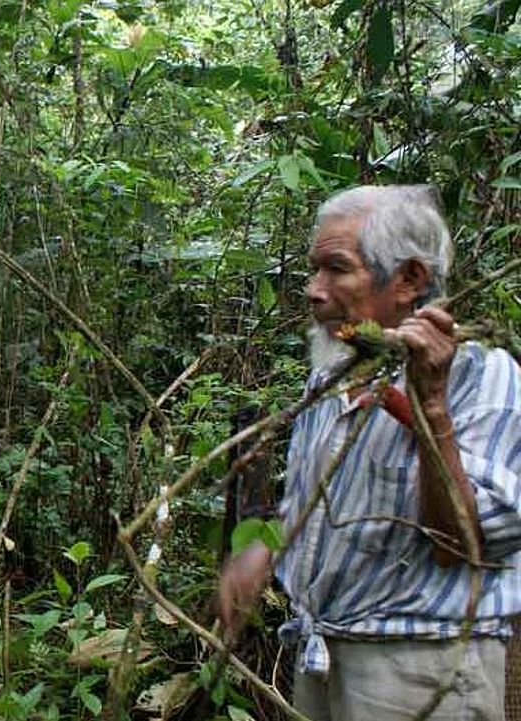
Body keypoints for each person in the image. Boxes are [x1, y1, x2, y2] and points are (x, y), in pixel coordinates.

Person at [218, 185, 521, 720]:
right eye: (314, 271)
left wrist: (429, 405)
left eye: (336, 269)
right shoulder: (332, 375)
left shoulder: (484, 378)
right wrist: (262, 551)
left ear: (408, 280)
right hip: (324, 660)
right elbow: (314, 499)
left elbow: (462, 543)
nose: (314, 291)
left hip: (423, 669)